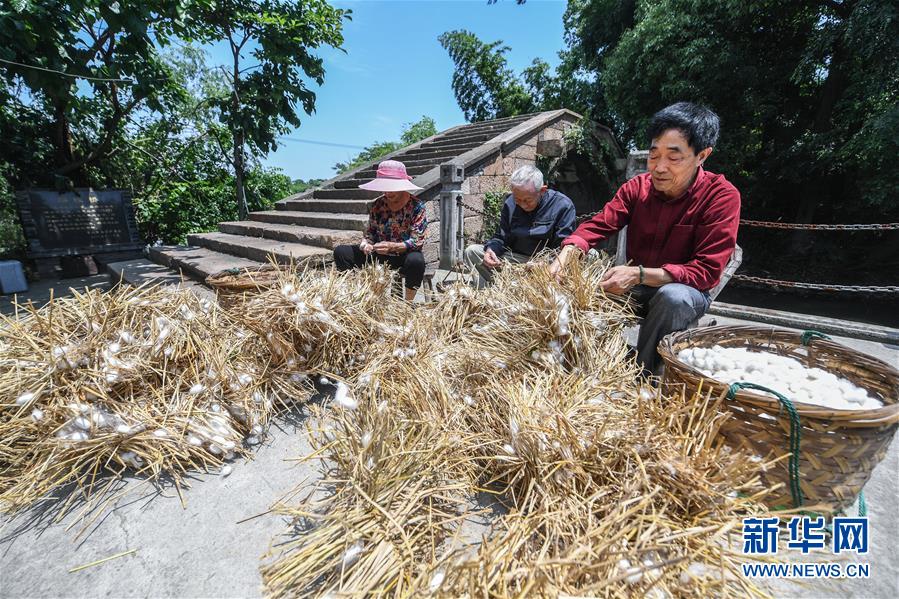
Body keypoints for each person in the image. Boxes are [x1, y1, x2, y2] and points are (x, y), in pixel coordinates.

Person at [549, 102, 740, 376]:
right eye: (654, 155)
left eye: (673, 158)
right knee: (584, 290)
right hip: (637, 284)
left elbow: (706, 272)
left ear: (702, 156)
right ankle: (592, 366)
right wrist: (567, 254)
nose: (660, 167)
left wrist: (638, 274)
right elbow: (600, 224)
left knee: (672, 298)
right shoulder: (637, 188)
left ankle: (645, 377)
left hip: (685, 290)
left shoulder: (721, 196)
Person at [463, 165, 576, 288]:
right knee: (472, 251)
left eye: (527, 200)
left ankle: (522, 288)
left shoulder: (562, 205)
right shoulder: (510, 202)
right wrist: (491, 250)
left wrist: (545, 263)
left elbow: (564, 246)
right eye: (518, 199)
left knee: (589, 255)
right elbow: (501, 237)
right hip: (515, 260)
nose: (522, 205)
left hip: (546, 263)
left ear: (542, 191)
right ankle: (486, 294)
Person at [332, 160, 428, 301]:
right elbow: (370, 233)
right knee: (341, 252)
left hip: (403, 256)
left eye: (392, 188)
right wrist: (367, 244)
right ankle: (352, 296)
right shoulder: (378, 205)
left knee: (417, 261)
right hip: (380, 255)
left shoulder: (417, 206)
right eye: (385, 188)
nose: (387, 193)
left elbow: (417, 241)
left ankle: (407, 304)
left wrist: (393, 247)